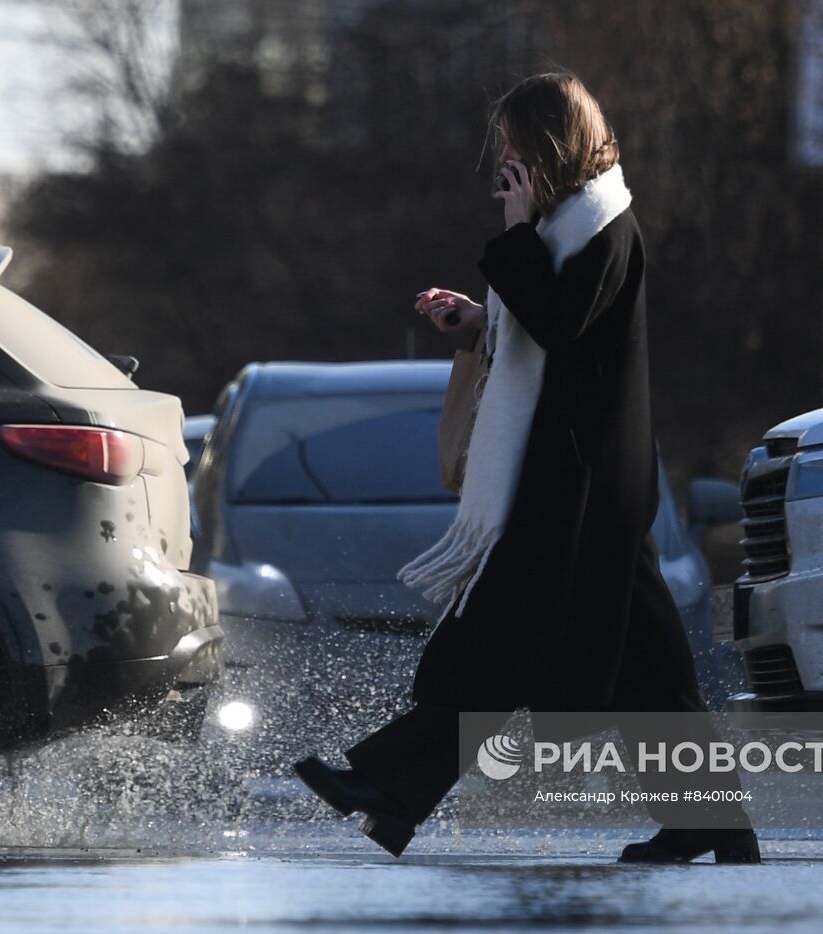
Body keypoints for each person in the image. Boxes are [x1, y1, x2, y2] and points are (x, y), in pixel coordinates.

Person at [294, 72, 760, 864]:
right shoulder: (576, 228)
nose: (503, 164)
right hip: (586, 483)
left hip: (579, 486)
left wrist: (512, 233)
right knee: (649, 674)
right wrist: (480, 318)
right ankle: (714, 828)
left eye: (513, 148)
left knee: (499, 641)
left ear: (549, 146)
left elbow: (562, 321)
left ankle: (392, 788)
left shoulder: (602, 225)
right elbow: (552, 326)